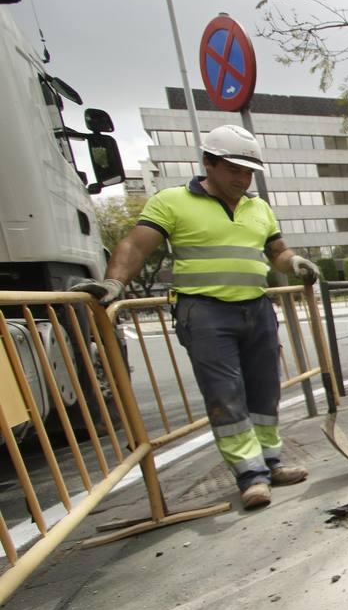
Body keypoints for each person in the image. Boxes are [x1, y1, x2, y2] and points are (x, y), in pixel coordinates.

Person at [73, 125, 319, 510]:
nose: (242, 178)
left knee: (265, 391)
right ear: (209, 163)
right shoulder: (172, 202)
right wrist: (113, 284)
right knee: (226, 395)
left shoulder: (259, 208)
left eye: (248, 171)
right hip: (204, 312)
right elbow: (136, 245)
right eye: (234, 169)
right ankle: (250, 476)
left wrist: (296, 262)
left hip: (256, 307)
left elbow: (277, 252)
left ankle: (271, 464)